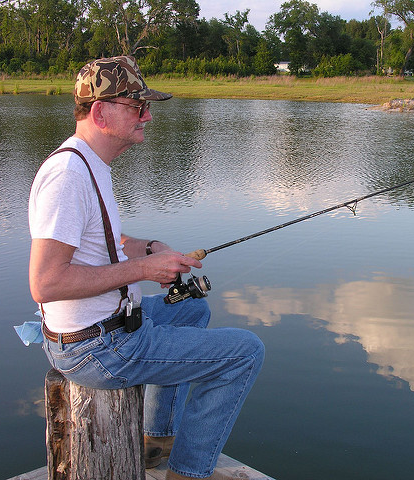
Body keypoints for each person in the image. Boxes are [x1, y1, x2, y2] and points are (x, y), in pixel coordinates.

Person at [28, 55, 265, 480]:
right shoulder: (68, 176)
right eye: (138, 108)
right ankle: (188, 473)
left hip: (103, 325)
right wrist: (143, 271)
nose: (148, 117)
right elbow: (45, 283)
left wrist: (151, 249)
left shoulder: (88, 164)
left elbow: (103, 241)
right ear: (101, 112)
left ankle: (156, 438)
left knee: (193, 310)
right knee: (246, 352)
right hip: (95, 348)